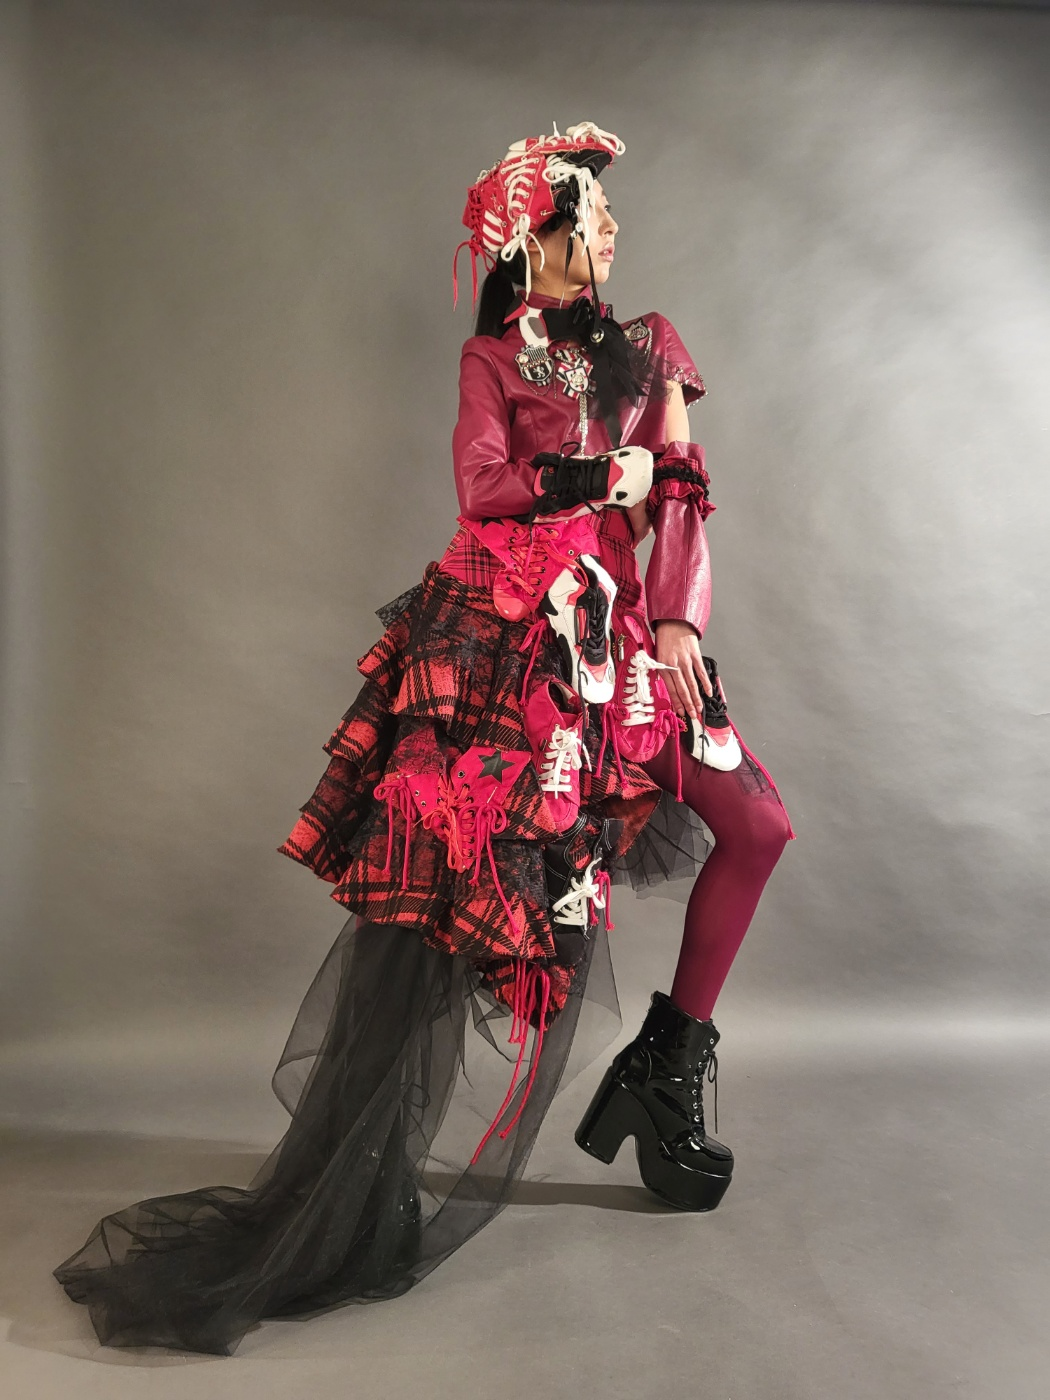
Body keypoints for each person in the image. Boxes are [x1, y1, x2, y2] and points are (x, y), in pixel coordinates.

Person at [51, 120, 794, 1357]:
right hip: (513, 640)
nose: (609, 228)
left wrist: (677, 619)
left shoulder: (653, 345)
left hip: (628, 650)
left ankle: (663, 1069)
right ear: (529, 240)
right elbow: (482, 484)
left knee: (758, 825)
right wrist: (587, 483)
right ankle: (361, 1168)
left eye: (607, 213)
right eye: (585, 212)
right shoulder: (489, 356)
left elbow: (678, 486)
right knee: (454, 904)